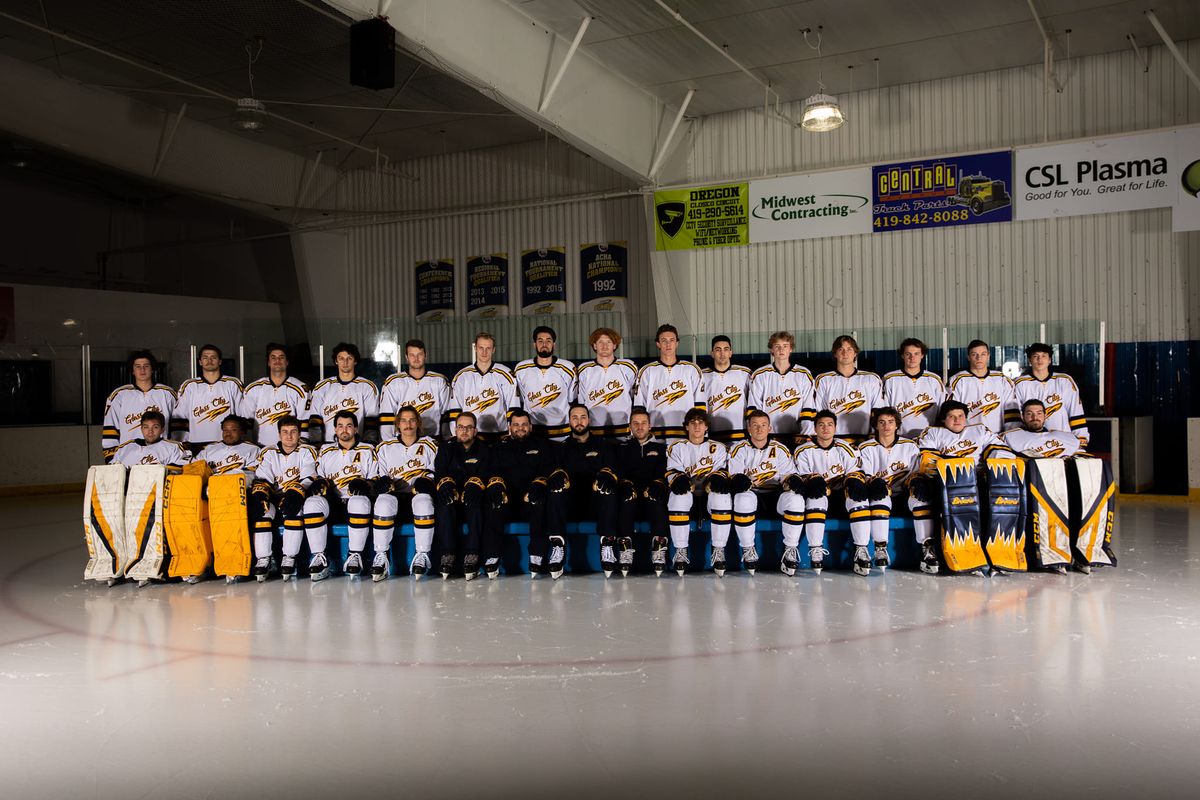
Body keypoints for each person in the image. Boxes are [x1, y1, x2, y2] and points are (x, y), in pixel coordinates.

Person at [916, 400, 1017, 576]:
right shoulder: (933, 433)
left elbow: (1001, 451)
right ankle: (961, 554)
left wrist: (993, 466)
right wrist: (956, 468)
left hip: (979, 482)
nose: (957, 420)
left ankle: (995, 555)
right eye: (951, 417)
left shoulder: (979, 430)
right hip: (948, 485)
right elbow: (927, 463)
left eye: (961, 416)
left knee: (997, 501)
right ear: (943, 419)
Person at [849, 407, 936, 574]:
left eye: (890, 422)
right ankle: (880, 547)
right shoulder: (865, 447)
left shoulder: (909, 446)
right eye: (882, 422)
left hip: (903, 494)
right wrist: (872, 481)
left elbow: (916, 472)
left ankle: (927, 549)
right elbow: (863, 474)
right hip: (880, 494)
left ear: (897, 425)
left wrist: (917, 481)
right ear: (876, 425)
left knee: (921, 498)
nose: (886, 426)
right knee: (880, 499)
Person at [302, 410, 378, 581]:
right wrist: (321, 484)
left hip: (358, 503)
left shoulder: (368, 449)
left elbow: (375, 480)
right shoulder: (325, 450)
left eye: (349, 426)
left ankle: (355, 555)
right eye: (340, 426)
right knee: (312, 503)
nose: (345, 430)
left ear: (356, 429)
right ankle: (319, 557)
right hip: (334, 503)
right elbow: (318, 478)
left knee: (358, 501)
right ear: (335, 430)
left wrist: (366, 484)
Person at [491, 409, 564, 579]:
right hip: (508, 498)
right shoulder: (499, 447)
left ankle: (537, 555)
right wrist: (496, 487)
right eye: (516, 425)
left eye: (524, 424)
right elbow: (493, 471)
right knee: (493, 502)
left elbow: (548, 469)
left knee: (538, 501)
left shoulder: (542, 445)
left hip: (531, 497)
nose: (520, 428)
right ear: (509, 427)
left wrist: (539, 482)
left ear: (530, 427)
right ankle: (492, 555)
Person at [727, 410, 801, 575]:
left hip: (774, 497)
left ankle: (790, 550)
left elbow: (788, 477)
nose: (759, 429)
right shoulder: (738, 449)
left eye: (763, 425)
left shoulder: (780, 449)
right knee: (743, 497)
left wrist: (790, 482)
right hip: (751, 495)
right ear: (748, 428)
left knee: (795, 499)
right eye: (755, 425)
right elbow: (736, 479)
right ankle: (748, 549)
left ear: (770, 428)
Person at [372, 405, 438, 581]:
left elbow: (433, 472)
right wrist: (384, 482)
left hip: (418, 497)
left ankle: (422, 555)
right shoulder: (384, 447)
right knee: (383, 501)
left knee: (424, 500)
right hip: (396, 498)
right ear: (397, 424)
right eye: (403, 420)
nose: (408, 424)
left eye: (412, 420)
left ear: (418, 423)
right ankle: (381, 555)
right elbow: (381, 475)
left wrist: (426, 480)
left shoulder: (430, 445)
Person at [249, 415, 318, 581]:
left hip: (295, 496)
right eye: (285, 432)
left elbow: (309, 476)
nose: (289, 436)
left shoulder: (307, 451)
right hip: (274, 497)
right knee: (262, 512)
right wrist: (261, 494)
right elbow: (263, 478)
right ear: (279, 434)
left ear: (299, 433)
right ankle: (264, 559)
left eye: (293, 431)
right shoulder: (268, 452)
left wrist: (295, 492)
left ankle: (289, 557)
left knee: (294, 510)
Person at [792, 410, 861, 574]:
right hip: (816, 499)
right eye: (821, 425)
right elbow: (801, 480)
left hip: (839, 499)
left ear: (835, 428)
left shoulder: (845, 448)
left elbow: (854, 474)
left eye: (830, 424)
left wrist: (852, 482)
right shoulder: (803, 450)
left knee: (858, 498)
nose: (825, 428)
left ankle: (862, 550)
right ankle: (815, 549)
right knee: (816, 497)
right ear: (815, 428)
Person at [432, 411, 499, 579]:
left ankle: (472, 554)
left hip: (473, 497)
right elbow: (440, 472)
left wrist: (475, 485)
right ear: (455, 429)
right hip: (453, 495)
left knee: (475, 505)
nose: (464, 431)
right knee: (445, 504)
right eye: (461, 427)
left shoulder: (484, 449)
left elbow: (486, 474)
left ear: (475, 431)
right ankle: (447, 554)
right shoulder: (445, 448)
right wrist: (446, 484)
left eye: (469, 427)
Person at [664, 408, 731, 576]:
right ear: (686, 427)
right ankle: (680, 551)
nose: (696, 426)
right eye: (692, 422)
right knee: (678, 495)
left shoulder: (719, 447)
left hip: (709, 497)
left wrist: (716, 478)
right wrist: (679, 479)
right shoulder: (676, 447)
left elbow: (722, 471)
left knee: (721, 496)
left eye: (700, 422)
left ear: (707, 426)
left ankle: (718, 550)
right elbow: (673, 472)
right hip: (688, 496)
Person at [558, 404, 620, 578]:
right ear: (569, 421)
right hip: (571, 504)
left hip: (596, 504)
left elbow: (611, 468)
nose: (579, 421)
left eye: (583, 417)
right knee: (555, 491)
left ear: (589, 420)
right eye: (575, 418)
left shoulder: (603, 445)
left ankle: (607, 544)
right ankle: (557, 546)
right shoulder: (562, 448)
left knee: (608, 489)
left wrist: (606, 475)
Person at [612, 407, 669, 576]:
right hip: (631, 495)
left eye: (643, 423)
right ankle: (625, 549)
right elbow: (618, 472)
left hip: (651, 495)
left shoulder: (660, 449)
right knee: (626, 498)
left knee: (656, 497)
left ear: (650, 426)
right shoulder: (621, 448)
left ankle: (659, 549)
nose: (640, 426)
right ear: (630, 426)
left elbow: (664, 473)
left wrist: (658, 483)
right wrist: (624, 484)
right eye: (635, 423)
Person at [102, 350, 178, 462]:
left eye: (146, 366)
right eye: (138, 366)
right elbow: (110, 429)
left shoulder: (167, 394)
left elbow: (178, 428)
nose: (142, 370)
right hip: (129, 457)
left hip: (162, 457)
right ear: (132, 370)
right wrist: (111, 459)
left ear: (152, 369)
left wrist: (176, 454)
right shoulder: (119, 396)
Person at [1008, 343, 1089, 446]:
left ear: (1050, 360)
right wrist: (1017, 440)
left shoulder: (1064, 381)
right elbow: (1016, 416)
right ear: (1029, 360)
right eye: (1035, 356)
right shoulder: (1020, 383)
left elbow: (1075, 411)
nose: (1039, 360)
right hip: (1032, 441)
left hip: (1062, 439)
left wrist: (1081, 437)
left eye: (1043, 356)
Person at [635, 324, 705, 442]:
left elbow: (700, 406)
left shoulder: (692, 370)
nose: (668, 344)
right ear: (658, 344)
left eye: (672, 340)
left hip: (686, 434)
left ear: (677, 343)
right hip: (655, 436)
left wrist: (701, 435)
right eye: (664, 341)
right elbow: (639, 407)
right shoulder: (647, 371)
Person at [808, 335, 884, 443]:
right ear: (835, 353)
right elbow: (819, 412)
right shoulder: (823, 380)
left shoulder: (871, 379)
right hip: (833, 441)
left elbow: (878, 412)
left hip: (864, 440)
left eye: (849, 349)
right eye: (841, 349)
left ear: (855, 353)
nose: (845, 353)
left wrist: (874, 438)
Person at [746, 331, 815, 446]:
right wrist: (759, 436)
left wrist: (805, 435)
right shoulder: (760, 374)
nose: (781, 350)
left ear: (791, 349)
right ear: (771, 350)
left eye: (785, 346)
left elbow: (808, 407)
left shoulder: (803, 374)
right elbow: (754, 409)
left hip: (796, 436)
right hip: (768, 437)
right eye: (777, 346)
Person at [173, 344, 244, 453]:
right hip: (197, 446)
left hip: (228, 445)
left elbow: (242, 415)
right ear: (200, 362)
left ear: (220, 361)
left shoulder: (233, 384)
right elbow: (179, 419)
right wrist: (183, 444)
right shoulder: (190, 386)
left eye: (213, 357)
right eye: (205, 357)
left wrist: (242, 442)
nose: (209, 360)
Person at [449, 332, 518, 440]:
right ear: (475, 348)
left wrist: (511, 435)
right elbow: (455, 410)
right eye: (481, 348)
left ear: (493, 349)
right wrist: (455, 435)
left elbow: (513, 407)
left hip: (499, 436)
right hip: (471, 437)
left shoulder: (505, 374)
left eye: (488, 348)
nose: (484, 352)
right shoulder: (462, 376)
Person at [307, 342, 380, 444]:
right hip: (328, 446)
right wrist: (316, 446)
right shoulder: (322, 386)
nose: (345, 362)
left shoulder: (367, 387)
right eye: (341, 358)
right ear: (336, 361)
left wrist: (368, 446)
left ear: (355, 361)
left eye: (349, 358)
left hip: (357, 446)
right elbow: (315, 420)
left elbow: (371, 422)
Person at [239, 343, 309, 447]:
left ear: (287, 362)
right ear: (268, 362)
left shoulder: (300, 388)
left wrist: (301, 448)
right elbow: (246, 421)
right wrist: (248, 446)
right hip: (260, 447)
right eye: (273, 358)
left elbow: (304, 422)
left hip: (290, 449)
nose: (277, 361)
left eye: (281, 358)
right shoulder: (254, 388)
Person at [379, 339, 449, 440]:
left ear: (425, 355)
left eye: (419, 354)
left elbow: (446, 413)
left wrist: (446, 439)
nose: (416, 358)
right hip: (403, 439)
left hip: (433, 438)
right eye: (412, 355)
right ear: (406, 357)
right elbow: (387, 416)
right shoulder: (394, 382)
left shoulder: (439, 380)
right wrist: (388, 442)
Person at [514, 326, 577, 440]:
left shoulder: (568, 368)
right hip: (533, 433)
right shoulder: (521, 369)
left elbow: (573, 401)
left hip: (562, 432)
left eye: (548, 340)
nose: (544, 344)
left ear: (554, 344)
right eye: (540, 341)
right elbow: (521, 402)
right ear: (535, 344)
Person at [575, 327, 638, 438]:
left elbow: (635, 397)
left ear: (615, 345)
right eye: (600, 342)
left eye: (609, 342)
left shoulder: (629, 366)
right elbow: (581, 402)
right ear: (594, 346)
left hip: (623, 427)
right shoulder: (584, 369)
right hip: (594, 429)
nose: (605, 346)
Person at [882, 337, 947, 439]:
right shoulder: (890, 379)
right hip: (898, 438)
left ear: (922, 355)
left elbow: (943, 410)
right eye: (908, 354)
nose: (912, 358)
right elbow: (884, 411)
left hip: (929, 438)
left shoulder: (934, 379)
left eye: (916, 354)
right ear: (902, 355)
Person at [947, 339, 1014, 434]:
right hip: (968, 436)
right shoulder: (957, 380)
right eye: (974, 354)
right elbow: (951, 413)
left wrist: (1009, 434)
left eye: (983, 354)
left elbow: (1011, 410)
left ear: (988, 356)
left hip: (998, 435)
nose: (979, 358)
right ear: (968, 357)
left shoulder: (1002, 379)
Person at [703, 335, 751, 444]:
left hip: (740, 433)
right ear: (712, 353)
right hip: (713, 435)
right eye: (718, 350)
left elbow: (753, 404)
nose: (722, 353)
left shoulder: (744, 373)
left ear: (731, 353)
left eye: (726, 349)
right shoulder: (702, 376)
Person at [1002, 399, 1083, 459]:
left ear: (1045, 416)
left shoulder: (1066, 437)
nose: (1035, 417)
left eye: (1039, 413)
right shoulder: (1008, 437)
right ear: (1023, 417)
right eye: (1029, 414)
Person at [111, 411, 191, 468]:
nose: (150, 431)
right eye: (146, 427)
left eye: (155, 427)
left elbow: (182, 468)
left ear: (162, 429)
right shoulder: (124, 449)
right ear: (141, 428)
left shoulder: (174, 447)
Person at [196, 416, 261, 475]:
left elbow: (251, 474)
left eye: (233, 430)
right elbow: (195, 469)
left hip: (236, 485)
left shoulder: (253, 449)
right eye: (225, 430)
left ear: (242, 432)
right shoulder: (209, 448)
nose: (228, 433)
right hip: (209, 485)